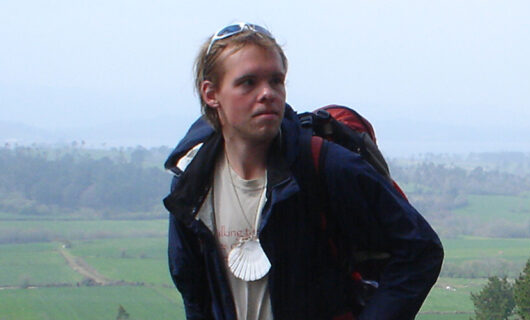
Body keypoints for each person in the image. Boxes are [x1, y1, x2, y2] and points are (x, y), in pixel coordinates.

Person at [163, 23, 443, 320]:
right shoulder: (192, 183)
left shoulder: (324, 166)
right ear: (211, 94)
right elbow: (193, 289)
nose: (267, 93)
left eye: (276, 81)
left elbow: (420, 250)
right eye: (248, 83)